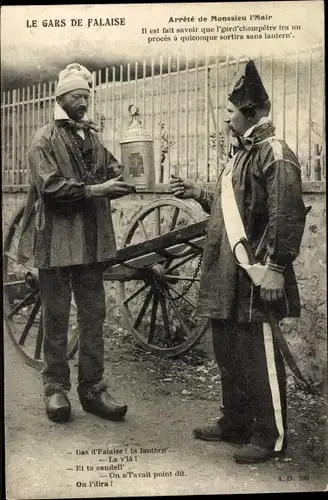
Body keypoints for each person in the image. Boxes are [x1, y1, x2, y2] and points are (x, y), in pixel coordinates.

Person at [170, 60, 307, 463]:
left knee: (258, 354)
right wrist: (198, 193)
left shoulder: (275, 154)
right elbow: (233, 211)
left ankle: (269, 437)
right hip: (226, 275)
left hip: (256, 274)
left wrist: (276, 269)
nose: (227, 118)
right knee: (228, 351)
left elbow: (286, 216)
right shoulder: (240, 156)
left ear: (250, 111)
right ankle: (235, 422)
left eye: (232, 111)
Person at [17, 63, 136, 424]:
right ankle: (55, 389)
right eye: (76, 96)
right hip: (54, 242)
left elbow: (115, 169)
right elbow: (50, 187)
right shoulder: (44, 139)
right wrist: (97, 189)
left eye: (86, 96)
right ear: (60, 99)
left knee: (93, 316)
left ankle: (93, 390)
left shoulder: (93, 139)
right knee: (56, 316)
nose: (83, 102)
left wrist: (135, 169)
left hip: (90, 243)